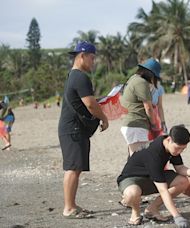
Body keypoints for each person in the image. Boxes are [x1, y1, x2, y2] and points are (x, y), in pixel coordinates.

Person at [58, 41, 109, 218]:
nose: (93, 62)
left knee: (76, 167)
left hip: (72, 127)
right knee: (72, 168)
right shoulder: (80, 77)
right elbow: (90, 104)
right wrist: (104, 118)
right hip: (73, 128)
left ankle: (72, 205)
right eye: (92, 58)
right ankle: (68, 208)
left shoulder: (73, 76)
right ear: (82, 56)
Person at [117, 125, 190, 227]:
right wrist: (177, 216)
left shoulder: (170, 146)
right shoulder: (154, 154)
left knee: (183, 181)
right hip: (131, 179)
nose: (179, 151)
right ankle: (135, 212)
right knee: (132, 194)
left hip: (152, 176)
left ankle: (152, 208)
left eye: (183, 149)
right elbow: (163, 190)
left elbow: (180, 168)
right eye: (178, 148)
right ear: (169, 139)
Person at [120, 58, 160, 156]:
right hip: (136, 125)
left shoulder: (133, 78)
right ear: (151, 74)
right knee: (139, 159)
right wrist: (154, 124)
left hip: (131, 124)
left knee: (133, 158)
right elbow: (148, 108)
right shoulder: (141, 82)